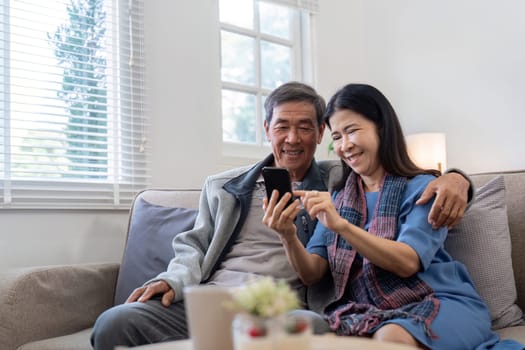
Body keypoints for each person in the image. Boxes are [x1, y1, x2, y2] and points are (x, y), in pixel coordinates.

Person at [91, 82, 472, 350]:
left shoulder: (337, 183)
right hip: (213, 298)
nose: (293, 138)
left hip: (285, 307)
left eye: (306, 127)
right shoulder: (223, 187)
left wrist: (458, 179)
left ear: (320, 133)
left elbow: (396, 173)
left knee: (321, 331)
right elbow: (193, 246)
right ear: (266, 130)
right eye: (282, 127)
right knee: (115, 323)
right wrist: (171, 279)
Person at [262, 83, 523, 349]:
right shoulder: (340, 198)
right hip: (372, 313)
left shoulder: (423, 188)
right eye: (337, 136)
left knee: (390, 339)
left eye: (352, 131)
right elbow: (312, 272)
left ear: (381, 128)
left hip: (440, 302)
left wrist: (342, 226)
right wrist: (287, 235)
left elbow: (407, 261)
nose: (345, 145)